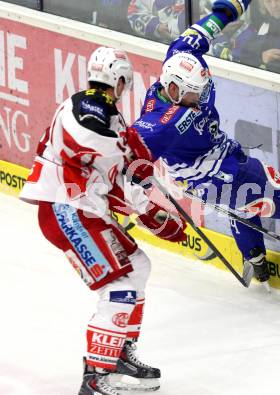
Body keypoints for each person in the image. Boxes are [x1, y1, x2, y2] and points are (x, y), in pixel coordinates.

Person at [130, 0, 280, 314]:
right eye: (196, 93)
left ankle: (256, 261)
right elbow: (130, 157)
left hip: (212, 170)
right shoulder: (159, 125)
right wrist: (136, 195)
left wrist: (237, 4)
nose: (202, 98)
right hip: (219, 172)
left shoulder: (181, 56)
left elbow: (213, 22)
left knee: (245, 205)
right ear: (175, 90)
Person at [19, 47, 187, 394]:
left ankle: (118, 353)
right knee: (119, 289)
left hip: (85, 211)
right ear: (120, 80)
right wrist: (129, 152)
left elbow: (122, 181)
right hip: (67, 209)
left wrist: (154, 215)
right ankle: (95, 378)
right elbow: (81, 141)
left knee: (137, 267)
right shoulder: (85, 107)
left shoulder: (112, 120)